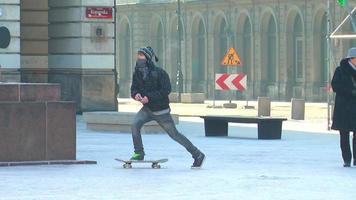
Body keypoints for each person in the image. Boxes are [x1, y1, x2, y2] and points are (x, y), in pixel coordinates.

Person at [129, 46, 205, 168]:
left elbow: (166, 90)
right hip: (147, 109)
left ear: (148, 58)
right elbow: (134, 89)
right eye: (138, 56)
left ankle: (197, 154)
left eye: (141, 56)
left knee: (175, 135)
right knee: (135, 125)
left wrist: (149, 97)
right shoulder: (136, 73)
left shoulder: (160, 73)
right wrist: (136, 95)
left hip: (161, 111)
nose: (139, 59)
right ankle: (139, 152)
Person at [331, 47, 356, 167]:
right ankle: (347, 159)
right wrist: (350, 92)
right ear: (351, 59)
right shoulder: (340, 71)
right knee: (344, 135)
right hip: (343, 108)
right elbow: (335, 86)